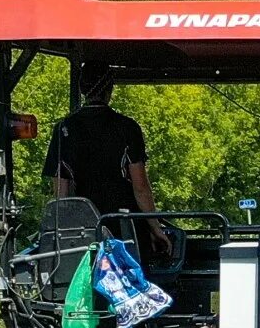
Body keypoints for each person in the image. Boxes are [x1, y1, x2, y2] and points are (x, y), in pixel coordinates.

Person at [43, 68, 171, 259]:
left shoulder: (63, 129)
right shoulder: (127, 128)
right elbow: (141, 187)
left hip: (84, 231)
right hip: (125, 230)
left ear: (82, 89)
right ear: (109, 90)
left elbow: (61, 194)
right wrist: (155, 228)